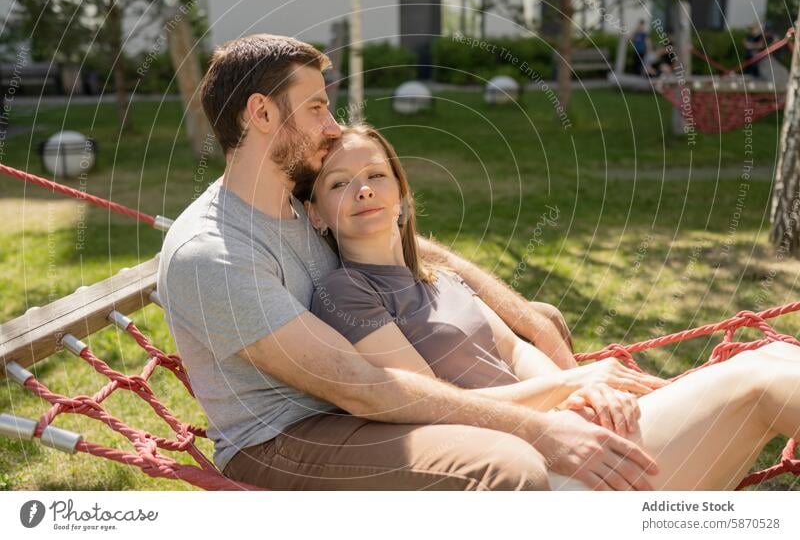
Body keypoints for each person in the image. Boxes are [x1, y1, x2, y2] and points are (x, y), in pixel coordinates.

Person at [158, 33, 661, 491]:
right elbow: (361, 385)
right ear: (262, 114)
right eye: (316, 108)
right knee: (506, 467)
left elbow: (414, 245)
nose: (332, 127)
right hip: (283, 439)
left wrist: (533, 322)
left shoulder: (293, 201)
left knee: (540, 323)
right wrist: (542, 427)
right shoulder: (214, 253)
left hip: (353, 406)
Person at [297, 121, 800, 491]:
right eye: (339, 184)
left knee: (769, 360)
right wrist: (573, 382)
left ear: (402, 194)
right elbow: (425, 408)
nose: (363, 189)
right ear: (316, 214)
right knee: (755, 376)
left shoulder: (440, 278)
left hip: (572, 438)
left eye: (375, 175)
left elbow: (516, 353)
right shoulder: (345, 292)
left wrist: (581, 399)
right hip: (535, 475)